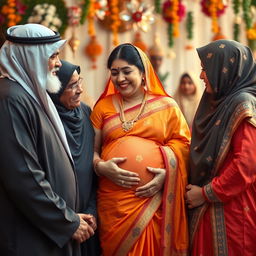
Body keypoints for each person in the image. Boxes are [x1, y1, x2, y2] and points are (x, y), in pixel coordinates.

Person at [0, 24, 94, 256]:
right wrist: (66, 221)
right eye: (52, 56)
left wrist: (68, 217)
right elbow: (23, 176)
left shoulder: (29, 95)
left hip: (48, 231)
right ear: (31, 58)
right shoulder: (10, 99)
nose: (59, 63)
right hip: (30, 236)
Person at [90, 43, 190, 255]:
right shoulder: (103, 107)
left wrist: (167, 175)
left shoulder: (167, 106)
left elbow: (184, 146)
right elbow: (90, 151)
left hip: (153, 201)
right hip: (113, 203)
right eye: (115, 73)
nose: (120, 78)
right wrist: (101, 167)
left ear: (144, 73)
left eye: (127, 71)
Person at [186, 39, 256, 255]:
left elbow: (246, 164)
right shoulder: (219, 102)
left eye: (205, 69)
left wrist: (207, 193)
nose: (200, 76)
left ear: (224, 69)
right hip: (212, 207)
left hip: (234, 211)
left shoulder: (242, 104)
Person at [48, 60, 101, 256]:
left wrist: (92, 212)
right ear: (55, 89)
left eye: (80, 82)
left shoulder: (86, 113)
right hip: (61, 220)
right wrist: (68, 219)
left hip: (90, 218)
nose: (80, 90)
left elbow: (93, 168)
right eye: (72, 85)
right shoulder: (47, 119)